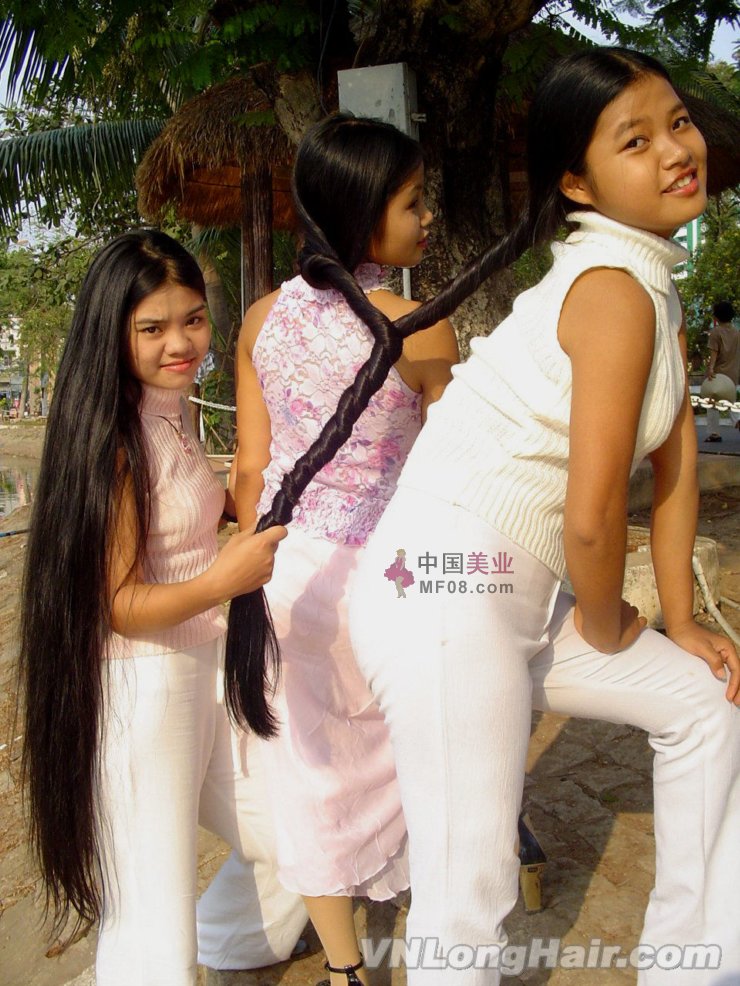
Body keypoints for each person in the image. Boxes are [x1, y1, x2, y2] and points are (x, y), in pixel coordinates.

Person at [230, 49, 740, 985]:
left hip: (506, 592)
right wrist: (607, 623)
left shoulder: (651, 290)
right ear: (577, 183)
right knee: (469, 886)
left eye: (678, 122)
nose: (677, 149)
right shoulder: (609, 290)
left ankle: (692, 964)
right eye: (636, 140)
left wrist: (681, 616)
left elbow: (675, 474)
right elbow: (593, 518)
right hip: (445, 594)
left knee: (705, 704)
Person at [18, 230, 307, 986]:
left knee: (297, 832)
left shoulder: (171, 411)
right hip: (144, 687)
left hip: (209, 668)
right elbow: (116, 604)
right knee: (152, 915)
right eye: (153, 328)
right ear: (112, 332)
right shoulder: (113, 443)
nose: (180, 343)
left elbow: (180, 519)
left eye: (193, 319)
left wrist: (235, 507)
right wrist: (223, 579)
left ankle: (232, 939)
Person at [230, 114, 458, 986]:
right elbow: (452, 478)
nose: (427, 217)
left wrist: (250, 574)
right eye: (413, 201)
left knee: (309, 773)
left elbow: (250, 469)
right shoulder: (422, 328)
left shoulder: (260, 319)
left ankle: (344, 968)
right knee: (418, 753)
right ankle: (435, 929)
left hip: (284, 570)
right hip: (389, 577)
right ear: (366, 213)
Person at [703, 300, 739, 441]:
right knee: (731, 402)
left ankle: (714, 433)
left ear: (716, 316)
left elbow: (714, 353)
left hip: (718, 374)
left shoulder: (715, 332)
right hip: (733, 373)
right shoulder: (737, 333)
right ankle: (737, 421)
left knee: (711, 402)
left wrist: (710, 369)